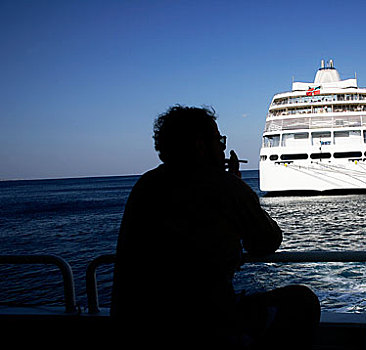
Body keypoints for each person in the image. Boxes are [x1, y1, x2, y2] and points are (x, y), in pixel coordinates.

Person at [110, 105, 320, 348]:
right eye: (219, 141)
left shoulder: (145, 187)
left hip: (136, 327)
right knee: (303, 301)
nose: (222, 148)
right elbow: (266, 241)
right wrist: (240, 189)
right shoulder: (223, 185)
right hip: (204, 325)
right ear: (201, 146)